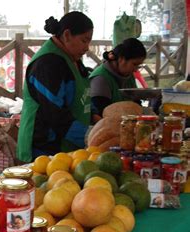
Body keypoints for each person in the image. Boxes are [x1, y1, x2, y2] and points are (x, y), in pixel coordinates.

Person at [17, 12, 94, 162]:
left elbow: (81, 96)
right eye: (84, 41)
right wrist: (89, 136)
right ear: (66, 35)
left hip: (67, 148)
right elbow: (55, 113)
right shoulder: (47, 64)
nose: (87, 48)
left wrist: (96, 117)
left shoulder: (72, 58)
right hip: (42, 150)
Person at [89, 38, 147, 120]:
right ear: (121, 59)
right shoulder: (100, 79)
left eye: (139, 66)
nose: (136, 69)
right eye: (134, 64)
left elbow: (136, 103)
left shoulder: (128, 75)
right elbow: (101, 114)